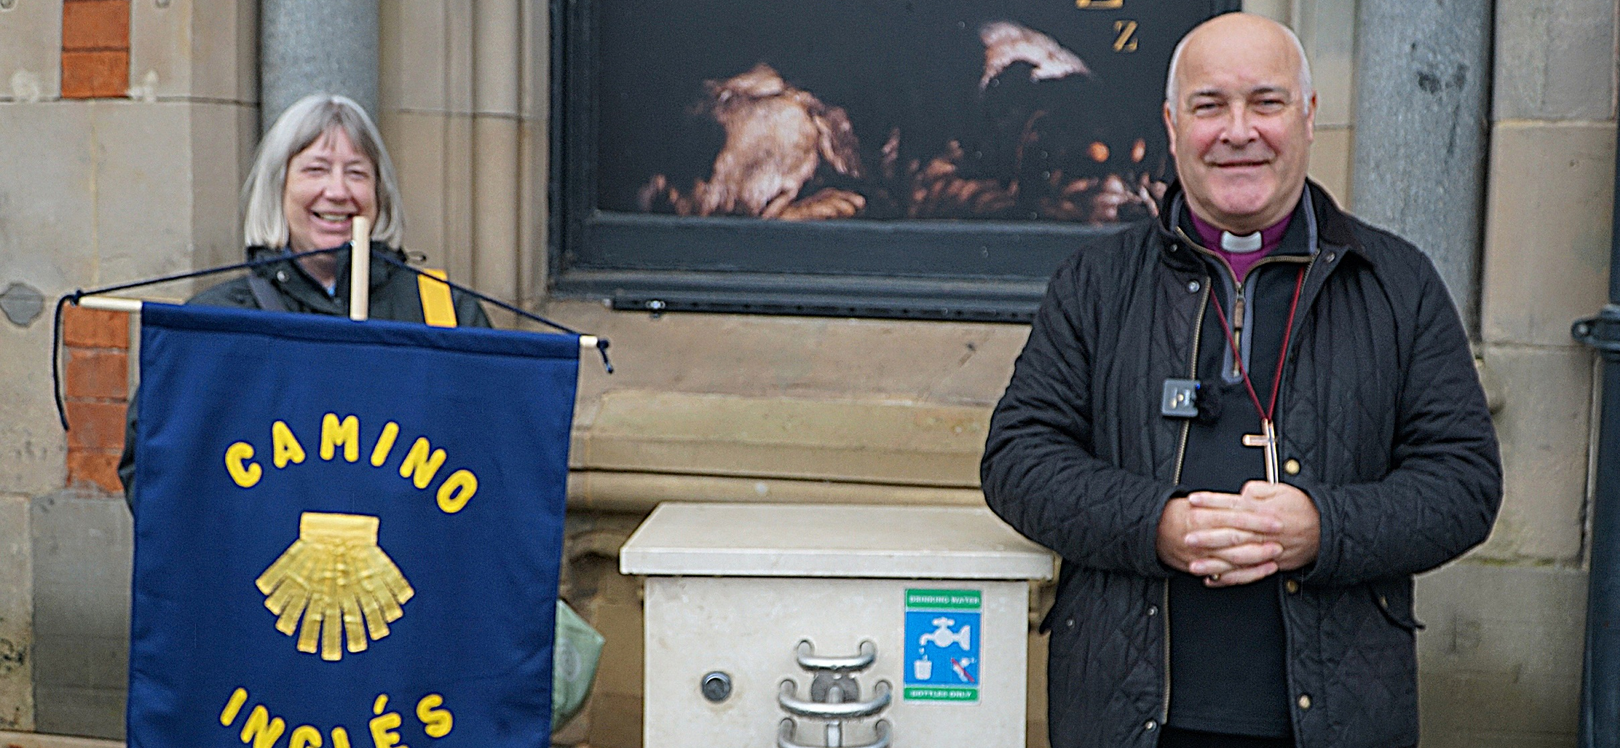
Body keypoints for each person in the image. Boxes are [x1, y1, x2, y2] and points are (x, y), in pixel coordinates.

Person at [980, 13, 1501, 748]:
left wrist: (1323, 528)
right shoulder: (1096, 282)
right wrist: (1156, 524)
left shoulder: (1398, 282)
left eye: (1266, 102)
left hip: (1337, 718)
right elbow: (1018, 461)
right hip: (1127, 718)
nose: (1238, 131)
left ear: (1309, 115)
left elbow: (1464, 482)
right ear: (1170, 124)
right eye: (1209, 105)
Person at [119, 93, 490, 506]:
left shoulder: (447, 314)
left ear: (378, 192)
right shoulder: (218, 320)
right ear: (278, 188)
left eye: (356, 173)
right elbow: (155, 473)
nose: (337, 191)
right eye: (315, 170)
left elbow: (495, 460)